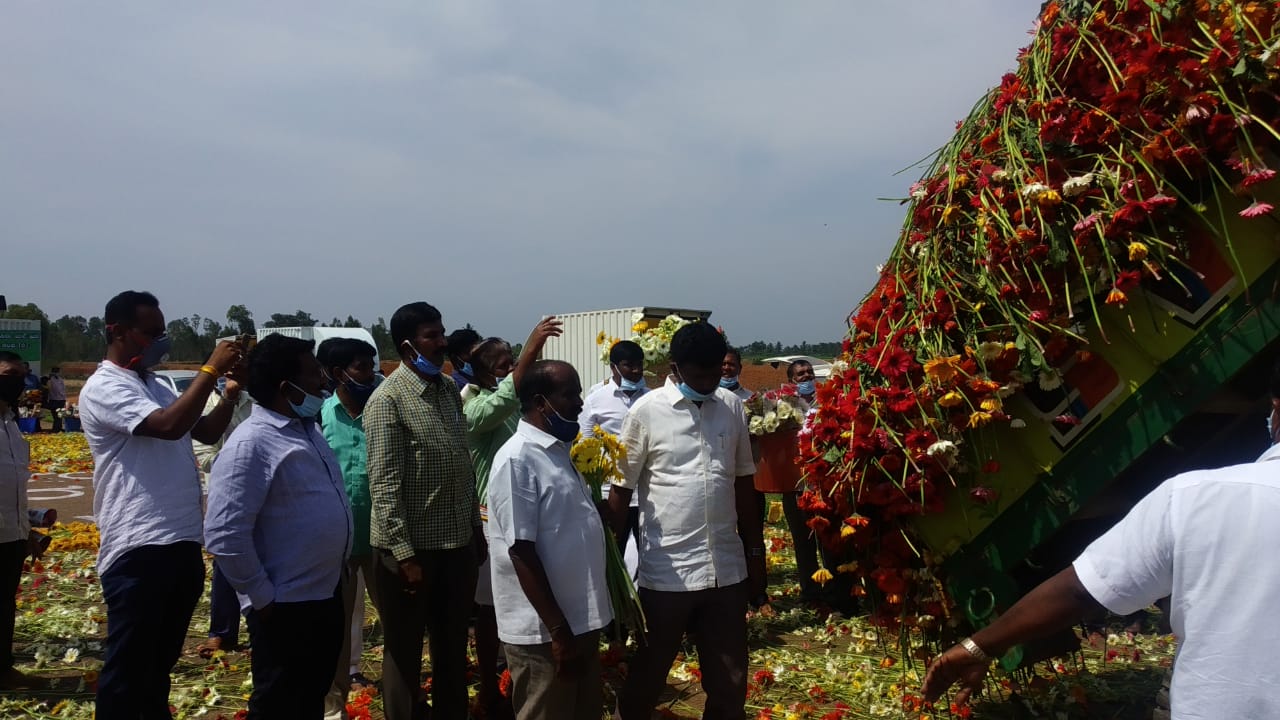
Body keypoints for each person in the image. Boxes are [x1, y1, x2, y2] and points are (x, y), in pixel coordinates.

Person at [78, 290, 243, 718]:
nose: (159, 341)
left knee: (157, 665)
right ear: (117, 331)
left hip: (180, 538)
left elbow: (202, 431)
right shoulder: (104, 386)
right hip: (139, 543)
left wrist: (229, 393)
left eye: (162, 332)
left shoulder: (154, 382)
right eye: (151, 333)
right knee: (129, 670)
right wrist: (209, 368)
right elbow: (168, 427)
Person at [610, 322, 765, 720]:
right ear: (676, 368)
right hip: (668, 573)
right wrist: (611, 567)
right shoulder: (645, 413)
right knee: (649, 671)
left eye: (716, 373)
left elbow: (744, 483)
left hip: (726, 569)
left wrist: (754, 553)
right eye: (700, 375)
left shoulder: (730, 407)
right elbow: (621, 490)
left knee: (730, 677)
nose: (711, 382)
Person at [205, 334, 353, 720]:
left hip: (323, 594)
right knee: (279, 703)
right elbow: (224, 535)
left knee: (309, 697)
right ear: (286, 387)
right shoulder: (250, 444)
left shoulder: (308, 431)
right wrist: (261, 598)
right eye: (313, 375)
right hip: (285, 606)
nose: (323, 383)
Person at [366, 302, 485, 720]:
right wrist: (404, 556)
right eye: (431, 336)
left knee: (452, 645)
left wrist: (475, 528)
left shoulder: (449, 390)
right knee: (405, 651)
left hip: (456, 543)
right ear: (406, 345)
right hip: (411, 553)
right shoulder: (388, 401)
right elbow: (383, 484)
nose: (442, 343)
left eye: (442, 333)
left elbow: (461, 466)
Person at [488, 360, 612, 720]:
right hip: (545, 633)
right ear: (541, 403)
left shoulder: (558, 451)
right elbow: (521, 552)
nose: (579, 403)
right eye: (569, 394)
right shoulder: (518, 459)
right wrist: (558, 632)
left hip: (579, 622)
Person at [461, 317, 562, 720]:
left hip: (530, 514)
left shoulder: (515, 403)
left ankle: (523, 675)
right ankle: (488, 688)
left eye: (511, 361)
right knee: (491, 609)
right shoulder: (472, 405)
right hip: (491, 521)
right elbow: (504, 397)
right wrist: (530, 352)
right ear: (485, 371)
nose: (510, 368)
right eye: (502, 363)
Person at [318, 338, 383, 719]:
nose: (370, 374)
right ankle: (333, 708)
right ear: (339, 373)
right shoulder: (320, 417)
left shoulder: (382, 409)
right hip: (338, 545)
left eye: (372, 365)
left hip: (382, 538)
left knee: (400, 624)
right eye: (362, 367)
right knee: (337, 633)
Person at [193, 375, 254, 660]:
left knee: (264, 558)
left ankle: (259, 630)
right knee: (226, 562)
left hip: (262, 492)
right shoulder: (207, 405)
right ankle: (222, 632)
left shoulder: (257, 401)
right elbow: (205, 456)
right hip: (226, 494)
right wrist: (244, 462)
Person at [578, 340, 647, 552]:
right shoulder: (595, 400)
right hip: (610, 495)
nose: (636, 371)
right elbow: (584, 447)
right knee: (611, 554)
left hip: (645, 496)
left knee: (648, 555)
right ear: (613, 367)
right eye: (629, 365)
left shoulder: (651, 398)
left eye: (639, 365)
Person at [0, 351, 35, 690]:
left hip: (11, 533)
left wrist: (28, 527)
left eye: (20, 375)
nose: (17, 383)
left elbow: (14, 483)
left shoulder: (12, 425)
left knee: (4, 603)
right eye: (8, 374)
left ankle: (3, 669)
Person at [448, 326, 483, 390]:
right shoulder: (455, 386)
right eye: (469, 353)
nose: (476, 357)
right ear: (455, 359)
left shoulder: (483, 380)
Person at [47, 367, 66, 433]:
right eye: (57, 372)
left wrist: (64, 398)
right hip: (54, 399)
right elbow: (53, 389)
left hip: (61, 399)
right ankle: (55, 429)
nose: (58, 373)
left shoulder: (60, 379)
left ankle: (59, 428)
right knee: (55, 415)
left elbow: (63, 389)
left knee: (60, 415)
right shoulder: (50, 380)